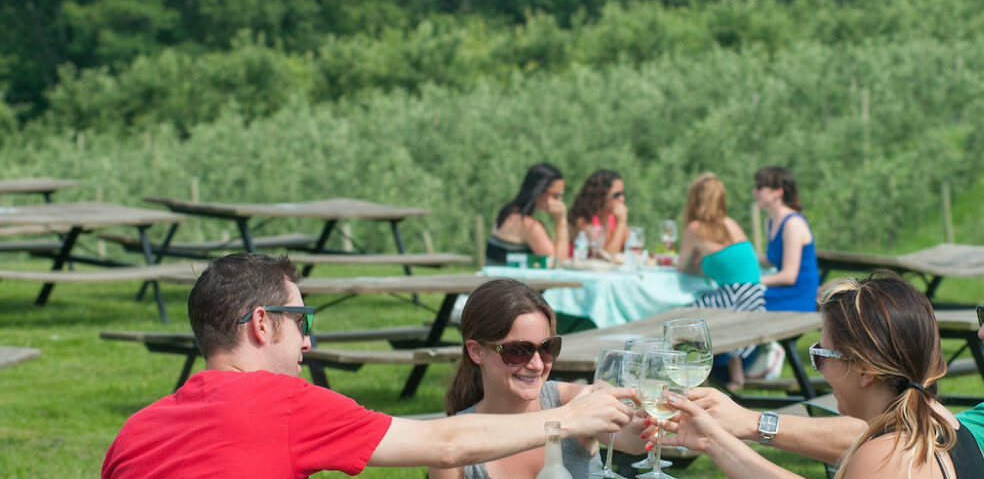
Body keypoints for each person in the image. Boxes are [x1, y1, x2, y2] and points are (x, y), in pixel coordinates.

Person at [101, 254, 635, 479]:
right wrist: (567, 420)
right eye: (301, 319)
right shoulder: (285, 402)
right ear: (263, 324)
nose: (307, 342)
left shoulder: (133, 432)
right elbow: (443, 444)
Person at [667, 244, 984, 479]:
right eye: (982, 313)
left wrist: (754, 422)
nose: (982, 330)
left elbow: (903, 439)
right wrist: (720, 437)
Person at [661, 273, 984, 478]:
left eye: (821, 356)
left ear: (864, 370)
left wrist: (718, 440)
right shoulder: (942, 423)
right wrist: (714, 441)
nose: (818, 368)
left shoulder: (885, 457)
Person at [430, 278, 645, 479]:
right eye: (518, 351)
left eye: (547, 348)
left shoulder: (576, 399)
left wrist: (646, 423)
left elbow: (631, 441)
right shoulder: (452, 447)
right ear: (476, 351)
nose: (537, 365)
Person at [677, 172, 765, 391]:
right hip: (754, 294)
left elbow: (682, 266)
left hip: (735, 294)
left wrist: (697, 263)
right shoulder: (730, 223)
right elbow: (728, 263)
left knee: (684, 318)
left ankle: (695, 377)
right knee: (706, 315)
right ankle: (736, 378)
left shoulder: (695, 228)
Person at [753, 166, 819, 312]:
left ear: (778, 192)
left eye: (760, 187)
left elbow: (789, 276)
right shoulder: (770, 221)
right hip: (780, 292)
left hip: (796, 298)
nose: (754, 192)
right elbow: (772, 259)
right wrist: (743, 260)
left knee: (743, 303)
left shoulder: (792, 223)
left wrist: (750, 281)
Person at [488, 162, 569, 265]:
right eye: (556, 195)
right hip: (506, 280)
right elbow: (558, 262)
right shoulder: (528, 225)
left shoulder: (507, 213)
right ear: (539, 191)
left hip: (497, 280)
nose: (560, 200)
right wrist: (561, 220)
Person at [567, 169, 628, 257]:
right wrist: (621, 223)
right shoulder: (583, 221)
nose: (622, 199)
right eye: (616, 195)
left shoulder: (613, 219)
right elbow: (607, 256)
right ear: (601, 194)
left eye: (622, 194)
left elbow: (631, 249)